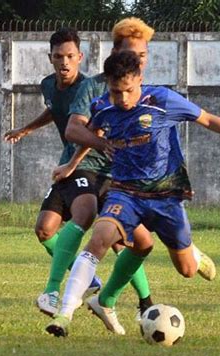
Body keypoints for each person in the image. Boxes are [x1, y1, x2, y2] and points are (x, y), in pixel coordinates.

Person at [46, 50, 220, 337]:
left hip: (165, 196)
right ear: (108, 83)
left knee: (185, 269)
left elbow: (207, 119)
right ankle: (65, 314)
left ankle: (193, 255)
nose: (121, 99)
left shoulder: (162, 101)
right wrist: (73, 164)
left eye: (128, 91)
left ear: (140, 80)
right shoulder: (103, 107)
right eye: (115, 91)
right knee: (98, 239)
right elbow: (90, 136)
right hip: (125, 193)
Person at [30, 18, 158, 325]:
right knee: (50, 228)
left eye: (142, 55)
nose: (137, 61)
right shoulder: (90, 88)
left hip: (119, 176)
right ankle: (67, 290)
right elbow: (79, 127)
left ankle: (130, 300)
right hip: (85, 168)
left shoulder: (148, 92)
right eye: (131, 54)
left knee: (132, 241)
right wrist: (76, 161)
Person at [3, 28, 103, 315]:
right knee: (44, 230)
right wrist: (25, 129)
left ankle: (136, 300)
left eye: (70, 56)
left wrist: (73, 163)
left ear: (80, 57)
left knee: (118, 239)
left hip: (92, 166)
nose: (65, 62)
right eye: (58, 56)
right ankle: (89, 279)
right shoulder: (48, 85)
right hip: (68, 164)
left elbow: (93, 129)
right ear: (50, 58)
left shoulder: (88, 89)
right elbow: (55, 110)